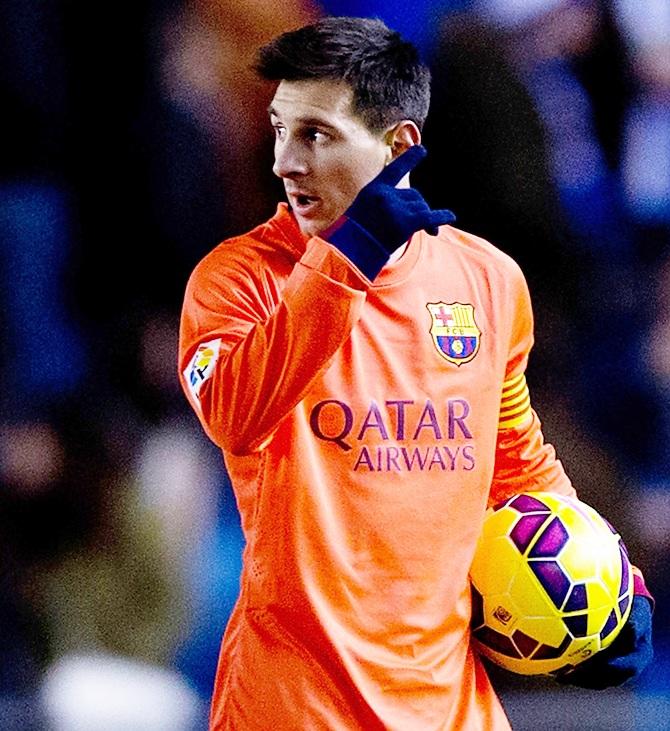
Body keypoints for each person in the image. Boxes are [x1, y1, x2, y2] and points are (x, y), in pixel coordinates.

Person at [178, 16, 653, 730]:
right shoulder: (237, 279)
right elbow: (235, 412)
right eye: (280, 129)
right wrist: (344, 263)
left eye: (316, 134)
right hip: (292, 707)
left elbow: (516, 466)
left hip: (450, 707)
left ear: (399, 144)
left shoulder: (486, 279)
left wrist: (610, 583)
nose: (285, 160)